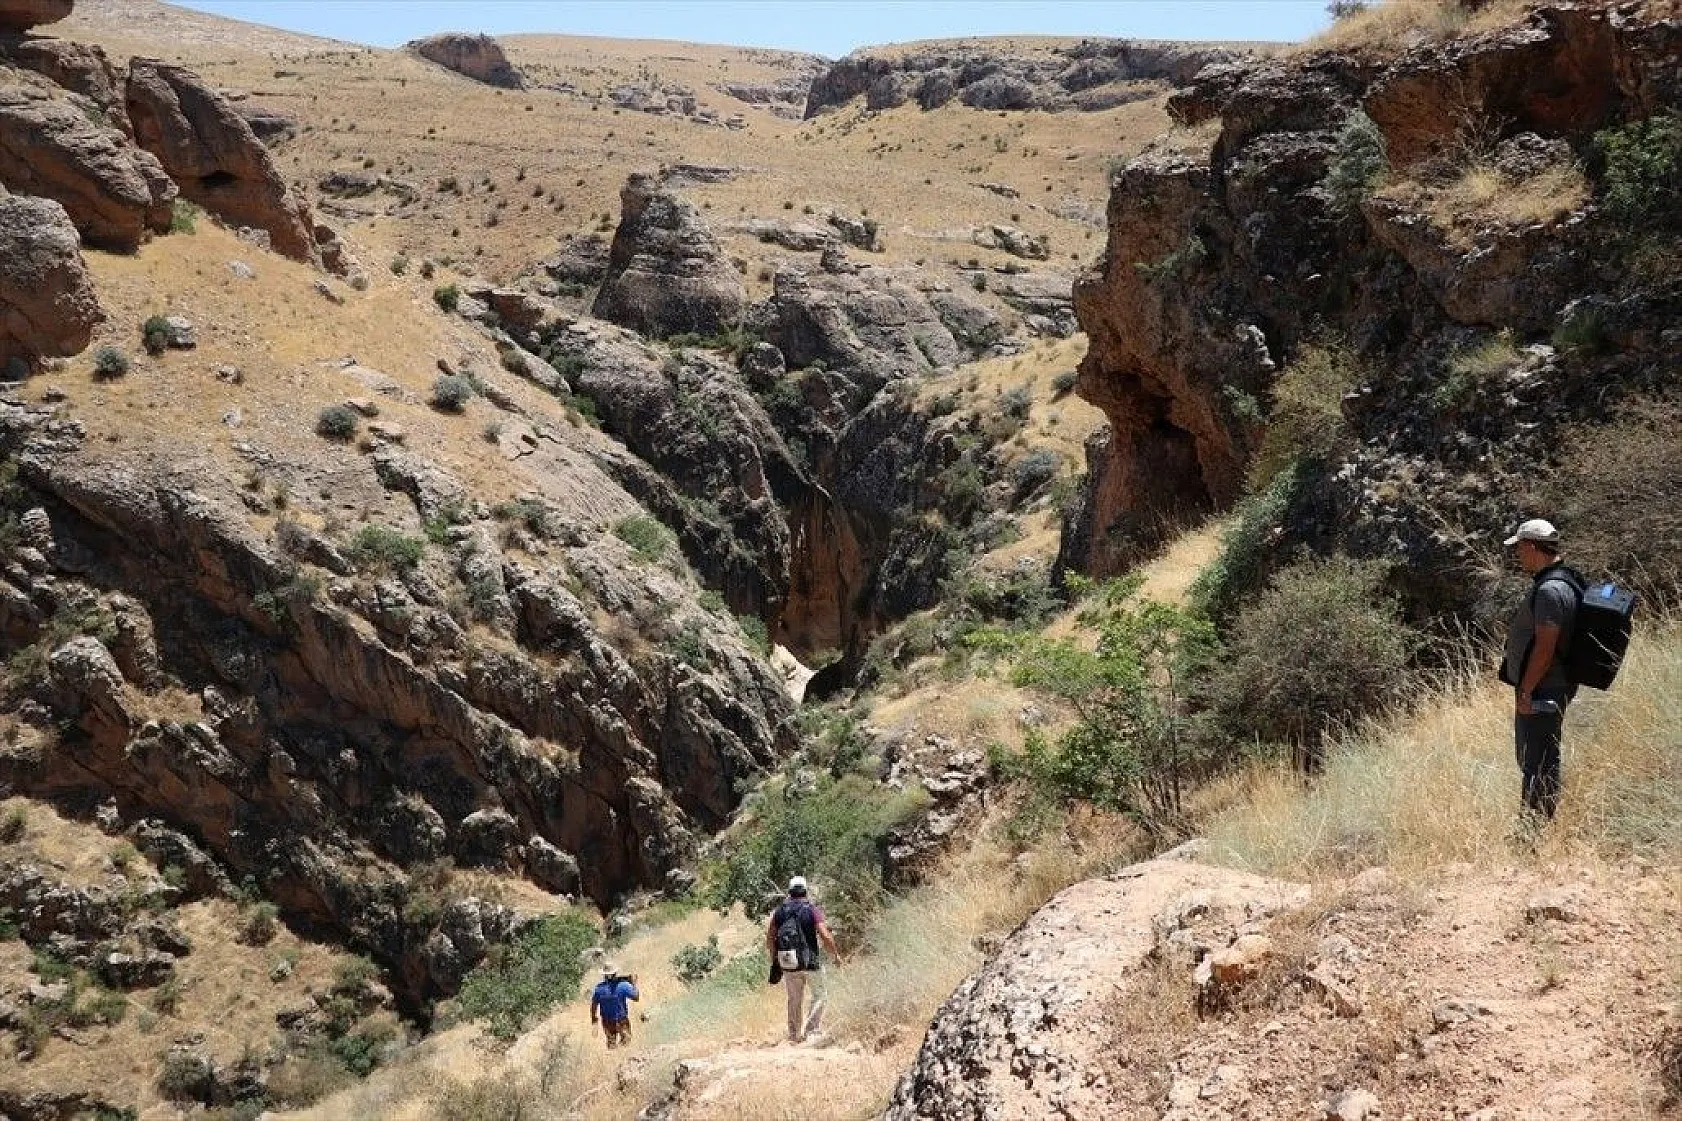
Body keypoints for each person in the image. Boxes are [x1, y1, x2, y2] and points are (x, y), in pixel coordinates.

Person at [1501, 518, 1580, 828]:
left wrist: (1526, 690)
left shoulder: (1549, 590)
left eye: (1519, 548)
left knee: (1539, 760)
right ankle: (1537, 825)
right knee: (1537, 756)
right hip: (1552, 684)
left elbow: (1546, 647)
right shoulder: (1568, 581)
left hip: (1543, 688)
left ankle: (1534, 832)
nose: (1518, 555)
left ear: (1532, 547)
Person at [765, 875, 841, 1044]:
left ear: (789, 892)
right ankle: (811, 1031)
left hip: (788, 962)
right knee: (820, 994)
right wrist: (835, 955)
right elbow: (825, 936)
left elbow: (770, 938)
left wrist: (775, 961)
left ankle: (793, 1035)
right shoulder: (811, 909)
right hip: (810, 961)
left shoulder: (779, 912)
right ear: (805, 891)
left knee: (794, 999)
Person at [589, 964, 638, 1048]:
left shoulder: (599, 988)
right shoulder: (623, 985)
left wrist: (594, 1018)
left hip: (607, 1022)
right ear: (615, 973)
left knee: (611, 1044)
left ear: (604, 975)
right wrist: (633, 984)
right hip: (621, 1020)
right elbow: (636, 997)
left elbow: (594, 1005)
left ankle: (614, 1057)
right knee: (626, 1041)